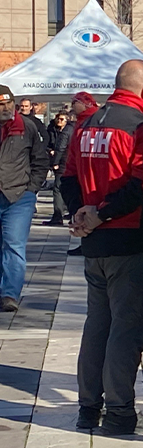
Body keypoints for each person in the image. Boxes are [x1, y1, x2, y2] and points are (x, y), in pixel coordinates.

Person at [64, 61, 143, 435]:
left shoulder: (87, 123)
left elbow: (69, 175)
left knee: (97, 326)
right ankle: (121, 412)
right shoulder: (142, 127)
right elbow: (142, 186)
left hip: (95, 241)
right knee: (128, 329)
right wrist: (102, 214)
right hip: (129, 238)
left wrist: (81, 214)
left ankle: (89, 408)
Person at [0, 86, 49, 312]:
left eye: (8, 104)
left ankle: (9, 294)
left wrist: (31, 190)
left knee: (13, 245)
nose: (5, 109)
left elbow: (40, 161)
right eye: (1, 105)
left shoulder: (27, 127)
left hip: (18, 196)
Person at [65, 92, 99, 257]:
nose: (72, 107)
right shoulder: (83, 120)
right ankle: (84, 241)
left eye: (74, 103)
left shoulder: (90, 120)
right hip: (78, 169)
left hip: (83, 171)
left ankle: (86, 239)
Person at [43, 113, 71, 226]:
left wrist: (55, 162)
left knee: (58, 188)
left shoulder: (66, 132)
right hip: (67, 162)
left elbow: (61, 148)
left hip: (63, 163)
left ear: (66, 121)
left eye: (62, 119)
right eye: (57, 119)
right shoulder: (52, 129)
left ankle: (58, 216)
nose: (59, 121)